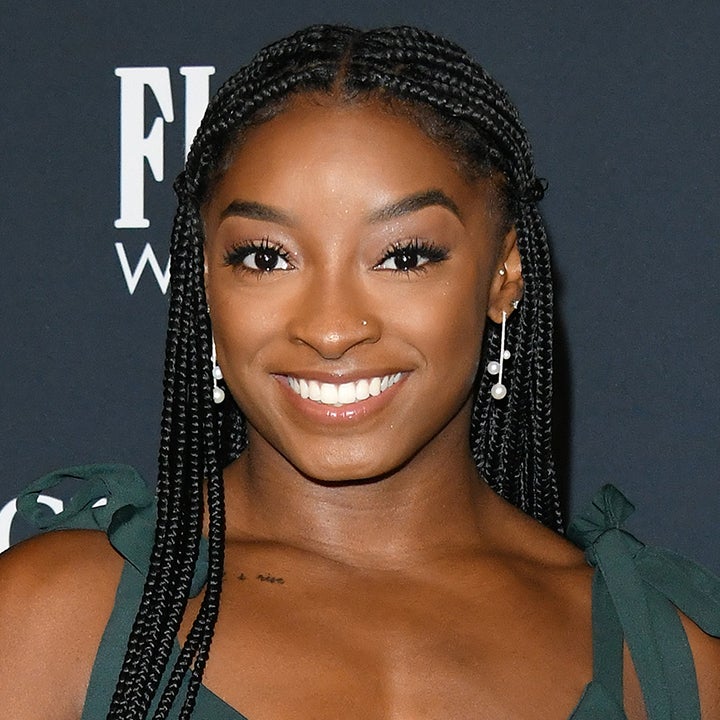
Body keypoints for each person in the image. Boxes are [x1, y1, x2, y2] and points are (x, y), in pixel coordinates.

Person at [1, 24, 719, 720]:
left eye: (403, 257)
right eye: (266, 257)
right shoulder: (52, 617)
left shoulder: (663, 659)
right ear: (207, 282)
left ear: (503, 275)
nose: (332, 328)